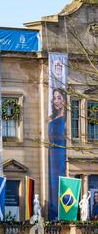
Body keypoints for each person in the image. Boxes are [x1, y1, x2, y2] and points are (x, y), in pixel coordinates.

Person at [48, 88, 67, 221]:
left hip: (61, 150)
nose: (56, 100)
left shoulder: (67, 117)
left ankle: (62, 213)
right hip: (52, 151)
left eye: (59, 97)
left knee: (61, 177)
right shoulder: (50, 117)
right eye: (54, 97)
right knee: (53, 181)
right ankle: (54, 212)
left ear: (64, 100)